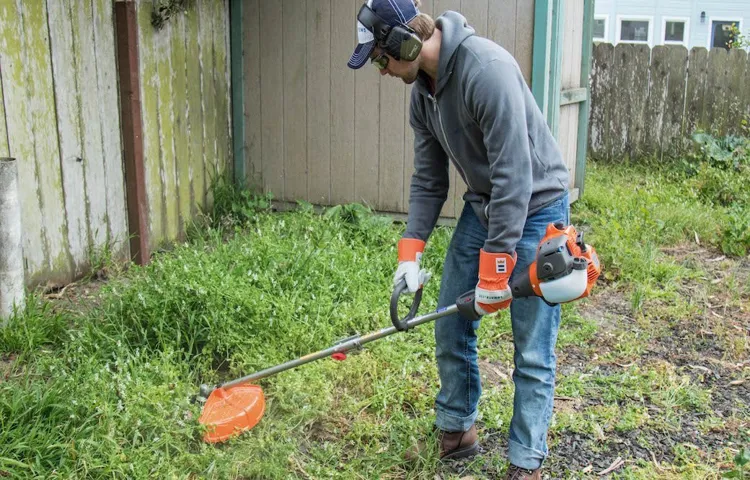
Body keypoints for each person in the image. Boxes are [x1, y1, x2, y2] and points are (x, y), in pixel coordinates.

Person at [348, 0, 571, 478]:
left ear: (402, 42)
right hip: (486, 206)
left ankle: (526, 460)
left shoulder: (485, 70)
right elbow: (429, 180)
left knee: (531, 347)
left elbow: (516, 176)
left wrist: (496, 267)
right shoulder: (423, 94)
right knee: (450, 318)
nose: (382, 71)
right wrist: (410, 254)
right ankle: (457, 429)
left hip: (536, 206)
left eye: (380, 59)